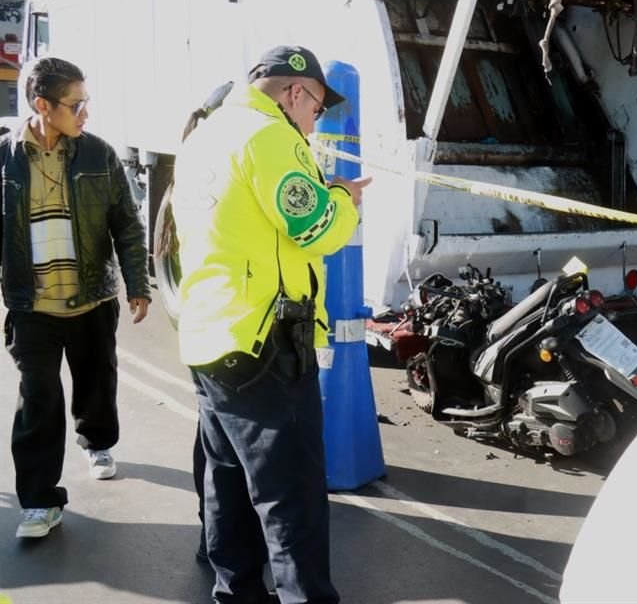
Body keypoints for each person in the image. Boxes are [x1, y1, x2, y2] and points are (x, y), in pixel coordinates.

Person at [172, 45, 369, 604]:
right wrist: (345, 199)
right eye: (316, 109)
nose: (316, 121)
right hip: (266, 347)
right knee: (292, 502)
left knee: (227, 485)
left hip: (212, 336)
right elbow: (317, 229)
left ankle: (234, 593)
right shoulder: (270, 137)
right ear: (294, 92)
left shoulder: (205, 135)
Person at [0, 57, 151, 539]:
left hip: (91, 298)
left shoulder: (98, 154)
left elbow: (126, 222)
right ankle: (39, 501)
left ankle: (97, 440)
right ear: (43, 105)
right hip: (32, 305)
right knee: (37, 398)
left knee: (96, 381)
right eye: (76, 103)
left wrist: (137, 283)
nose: (85, 112)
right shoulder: (3, 158)